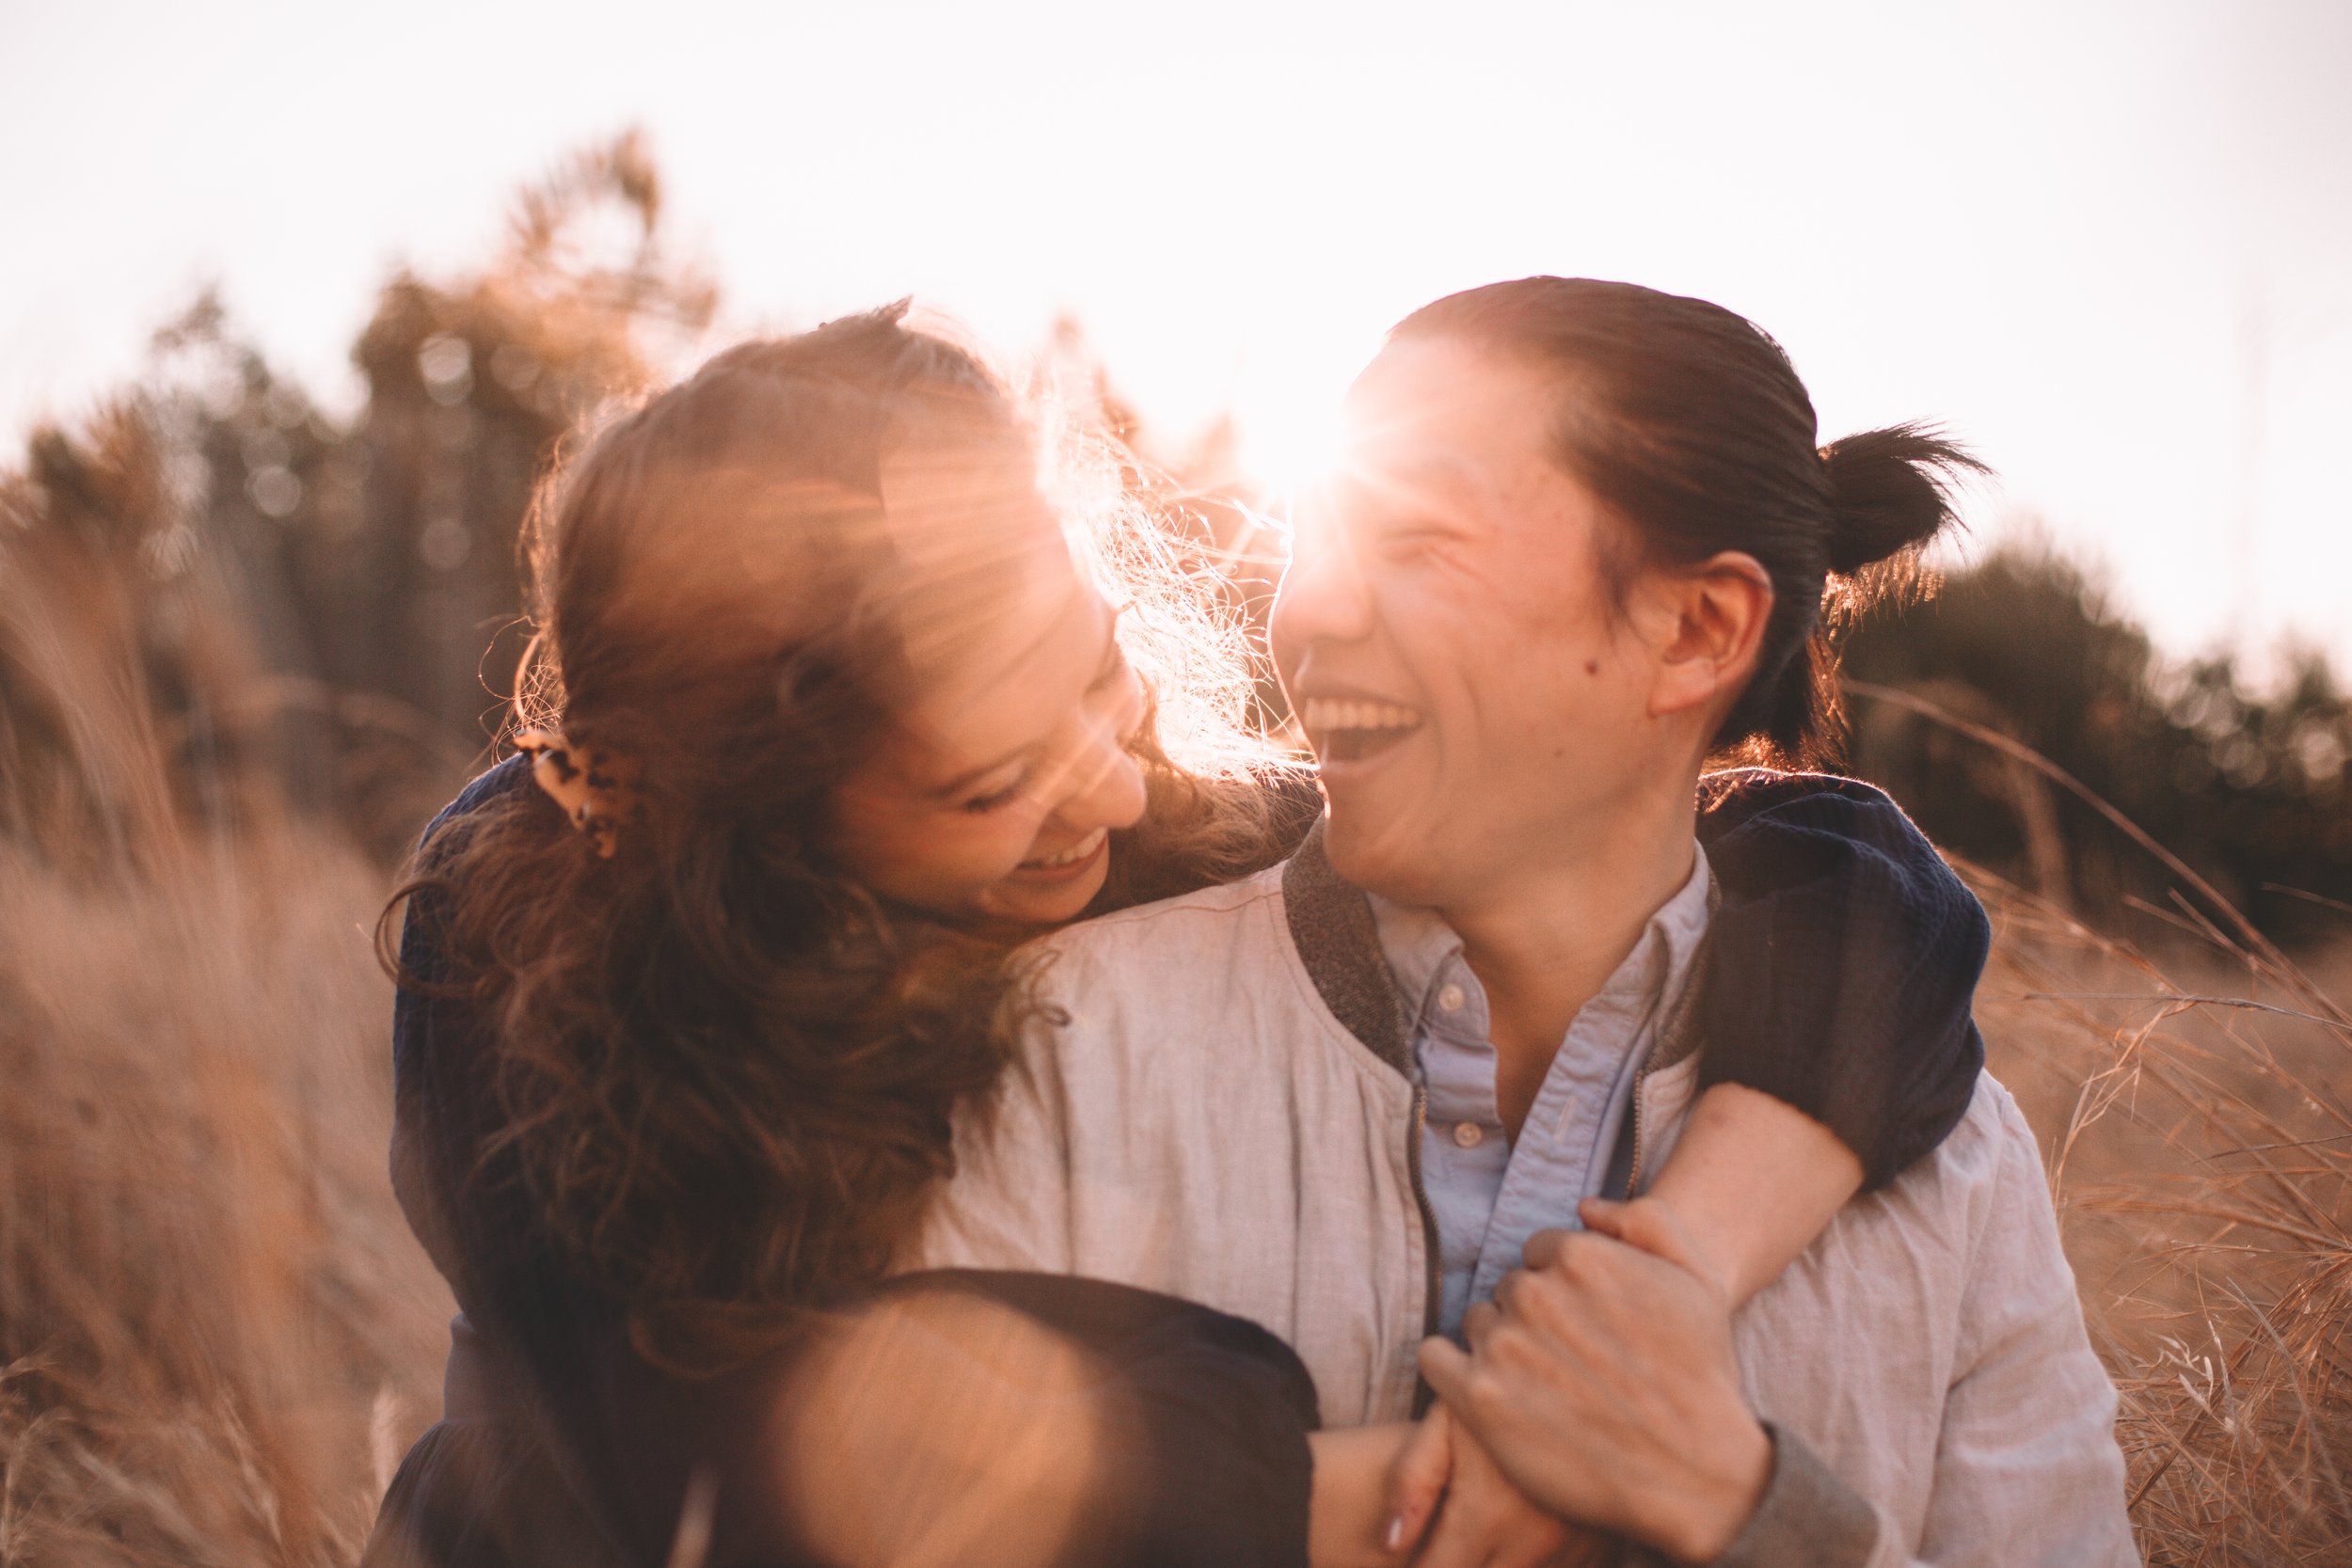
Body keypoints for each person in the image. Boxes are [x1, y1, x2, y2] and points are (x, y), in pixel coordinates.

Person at [367, 301, 1990, 1568]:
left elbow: (1827, 867)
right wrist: (1371, 1478)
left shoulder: (1154, 822)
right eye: (997, 780)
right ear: (754, 844)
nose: (1114, 796)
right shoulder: (519, 956)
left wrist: (1678, 1271)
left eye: (1100, 670)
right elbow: (685, 1438)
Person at [921, 277, 2138, 1566]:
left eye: (1417, 544)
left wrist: (1747, 1509)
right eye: (1313, 538)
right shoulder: (1062, 1047)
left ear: (1696, 628)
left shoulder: (1955, 1172)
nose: (1309, 614)